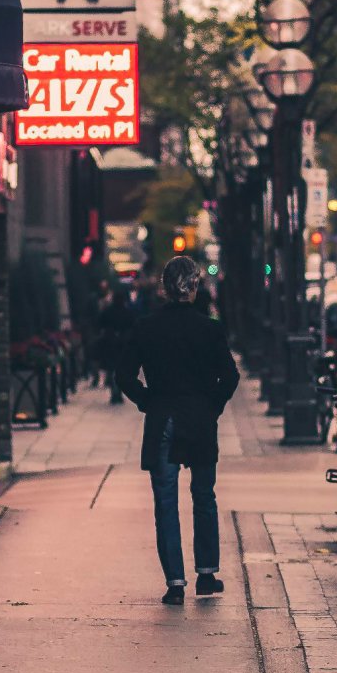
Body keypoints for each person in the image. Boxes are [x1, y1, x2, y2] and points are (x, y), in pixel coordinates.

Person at [114, 256, 240, 605]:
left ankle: (175, 582)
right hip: (199, 419)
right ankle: (207, 574)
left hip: (163, 418)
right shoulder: (209, 329)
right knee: (204, 496)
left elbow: (123, 375)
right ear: (195, 286)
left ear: (164, 288)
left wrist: (147, 401)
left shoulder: (146, 327)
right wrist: (212, 406)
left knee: (166, 501)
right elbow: (230, 377)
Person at [95, 285, 136, 404]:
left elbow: (100, 324)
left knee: (111, 369)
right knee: (121, 370)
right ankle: (119, 392)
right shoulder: (128, 312)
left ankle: (114, 393)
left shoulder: (107, 312)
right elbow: (133, 326)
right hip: (123, 344)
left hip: (110, 343)